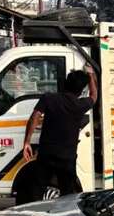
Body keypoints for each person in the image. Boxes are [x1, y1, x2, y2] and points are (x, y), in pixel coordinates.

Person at [18, 66, 98, 205]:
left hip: (46, 154)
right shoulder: (79, 104)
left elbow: (34, 117)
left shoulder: (49, 98)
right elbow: (93, 96)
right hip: (67, 158)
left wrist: (27, 142)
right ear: (80, 91)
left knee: (37, 189)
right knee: (68, 194)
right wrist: (90, 75)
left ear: (66, 83)